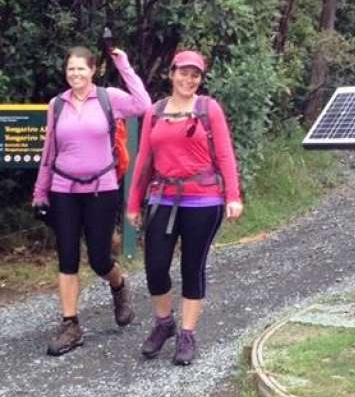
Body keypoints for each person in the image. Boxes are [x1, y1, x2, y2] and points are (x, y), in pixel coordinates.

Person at [126, 50, 243, 365]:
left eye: (195, 75)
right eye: (183, 73)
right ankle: (164, 323)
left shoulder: (209, 109)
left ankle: (187, 334)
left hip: (204, 200)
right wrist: (134, 203)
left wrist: (233, 195)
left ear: (200, 79)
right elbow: (144, 161)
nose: (188, 79)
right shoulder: (156, 111)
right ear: (171, 73)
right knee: (155, 266)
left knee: (193, 266)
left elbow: (225, 155)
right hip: (162, 197)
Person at [33, 46, 151, 356]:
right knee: (67, 256)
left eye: (81, 69)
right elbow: (49, 152)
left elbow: (143, 104)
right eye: (70, 69)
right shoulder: (56, 105)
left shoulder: (108, 98)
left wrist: (123, 63)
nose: (75, 74)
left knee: (99, 258)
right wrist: (40, 192)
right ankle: (70, 324)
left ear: (93, 70)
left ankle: (118, 285)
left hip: (102, 188)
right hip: (63, 190)